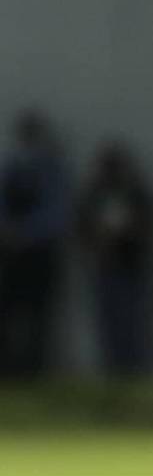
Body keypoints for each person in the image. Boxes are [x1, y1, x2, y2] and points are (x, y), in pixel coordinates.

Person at [76, 140, 153, 378]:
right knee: (109, 324)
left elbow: (152, 226)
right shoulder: (95, 192)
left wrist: (128, 232)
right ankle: (113, 369)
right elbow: (81, 229)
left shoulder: (136, 193)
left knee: (132, 323)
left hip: (131, 265)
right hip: (106, 266)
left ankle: (134, 369)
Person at [0, 110, 70, 380]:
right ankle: (8, 367)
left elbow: (57, 213)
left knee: (39, 312)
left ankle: (34, 370)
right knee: (8, 309)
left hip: (40, 252)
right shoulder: (12, 168)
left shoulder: (52, 170)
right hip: (11, 251)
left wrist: (24, 233)